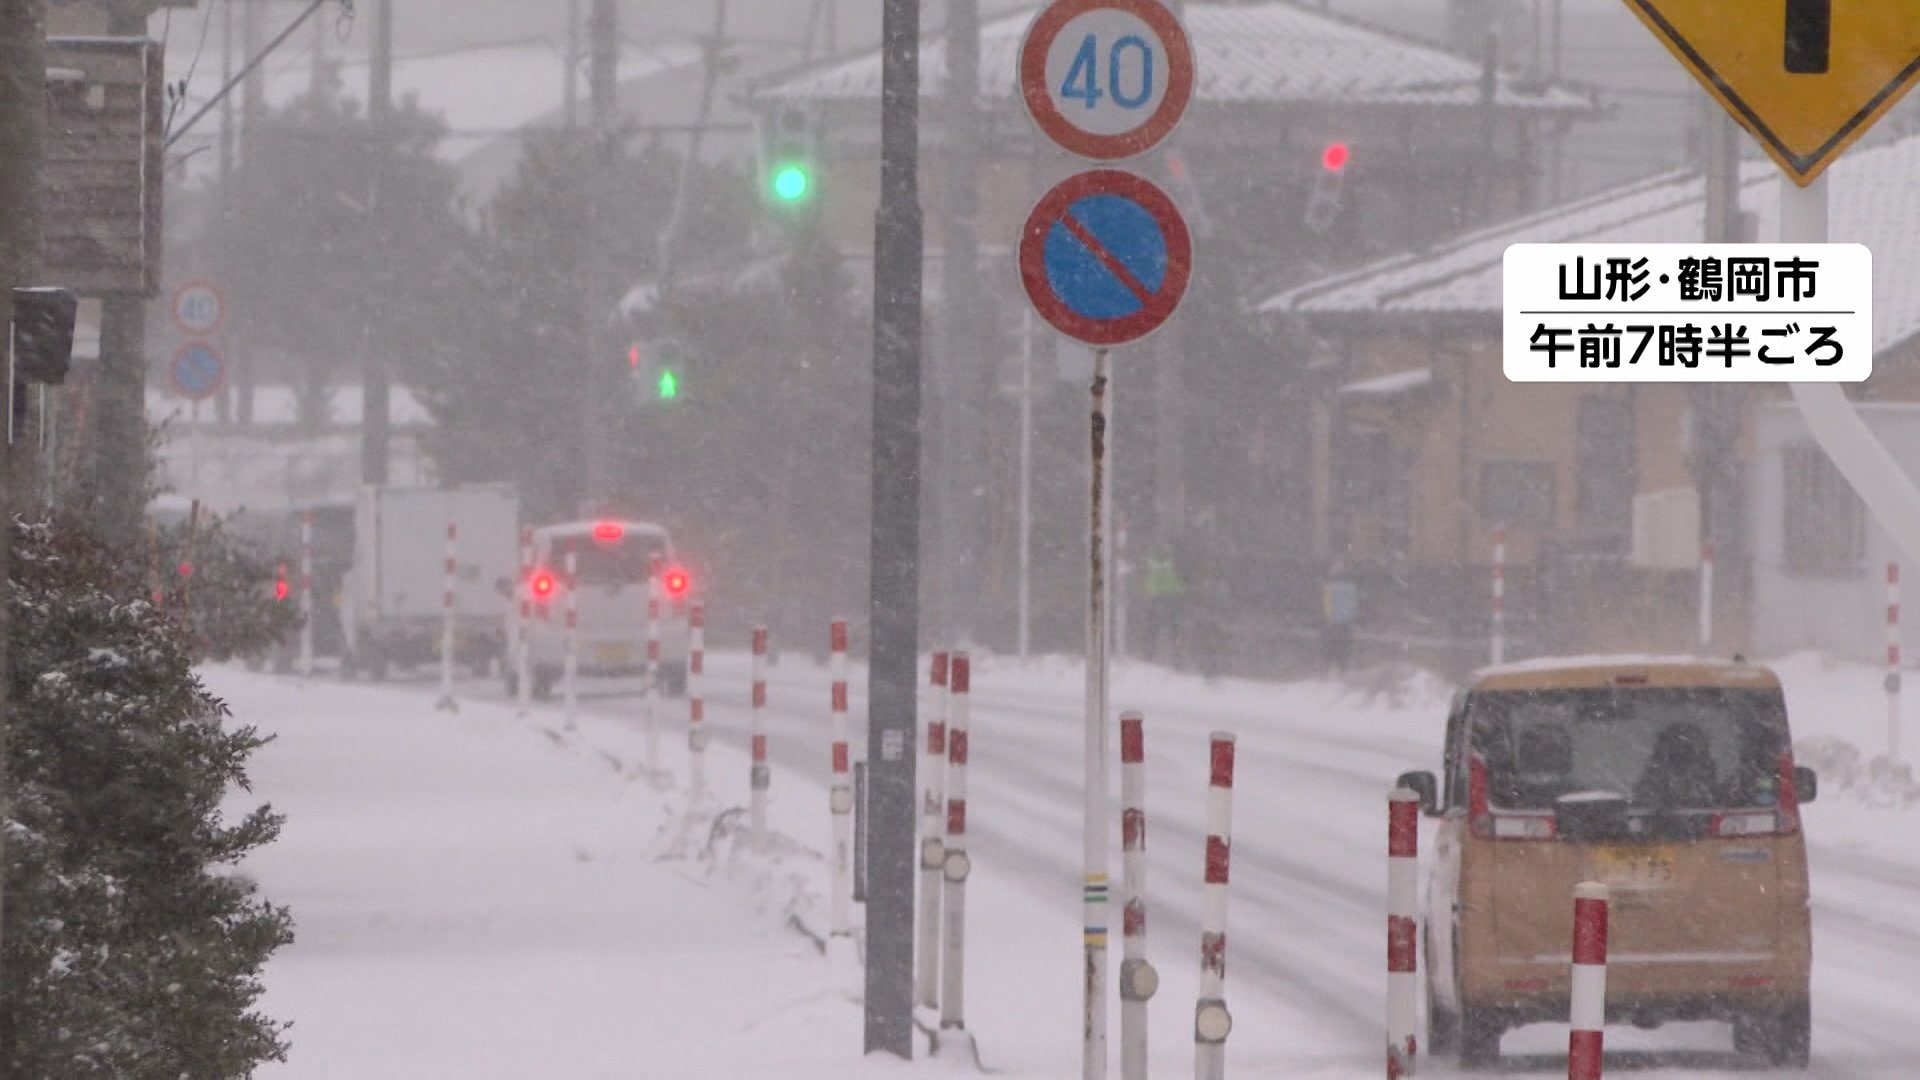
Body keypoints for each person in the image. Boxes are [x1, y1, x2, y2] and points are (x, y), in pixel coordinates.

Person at [1142, 544, 1186, 666]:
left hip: (1154, 597)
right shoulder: (1171, 566)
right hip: (1170, 598)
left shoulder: (1150, 566)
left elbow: (1146, 582)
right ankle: (1176, 656)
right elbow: (1178, 584)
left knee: (1152, 628)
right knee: (1173, 629)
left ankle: (1149, 654)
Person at [1320, 560, 1359, 673]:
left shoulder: (1328, 588)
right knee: (1345, 646)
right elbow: (1354, 604)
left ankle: (1332, 667)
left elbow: (1327, 606)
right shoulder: (1352, 587)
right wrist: (1351, 618)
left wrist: (1328, 618)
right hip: (1346, 623)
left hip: (1333, 623)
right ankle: (1344, 668)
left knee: (1332, 645)